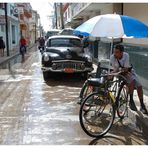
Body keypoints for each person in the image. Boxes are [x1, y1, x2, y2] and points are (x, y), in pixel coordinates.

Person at [110, 44, 148, 114]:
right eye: (114, 52)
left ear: (122, 52)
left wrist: (122, 70)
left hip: (128, 72)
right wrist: (113, 72)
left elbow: (126, 69)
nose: (115, 54)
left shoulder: (126, 55)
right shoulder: (112, 57)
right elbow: (115, 69)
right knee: (132, 80)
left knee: (139, 86)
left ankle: (142, 105)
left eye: (117, 52)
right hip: (119, 73)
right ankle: (131, 100)